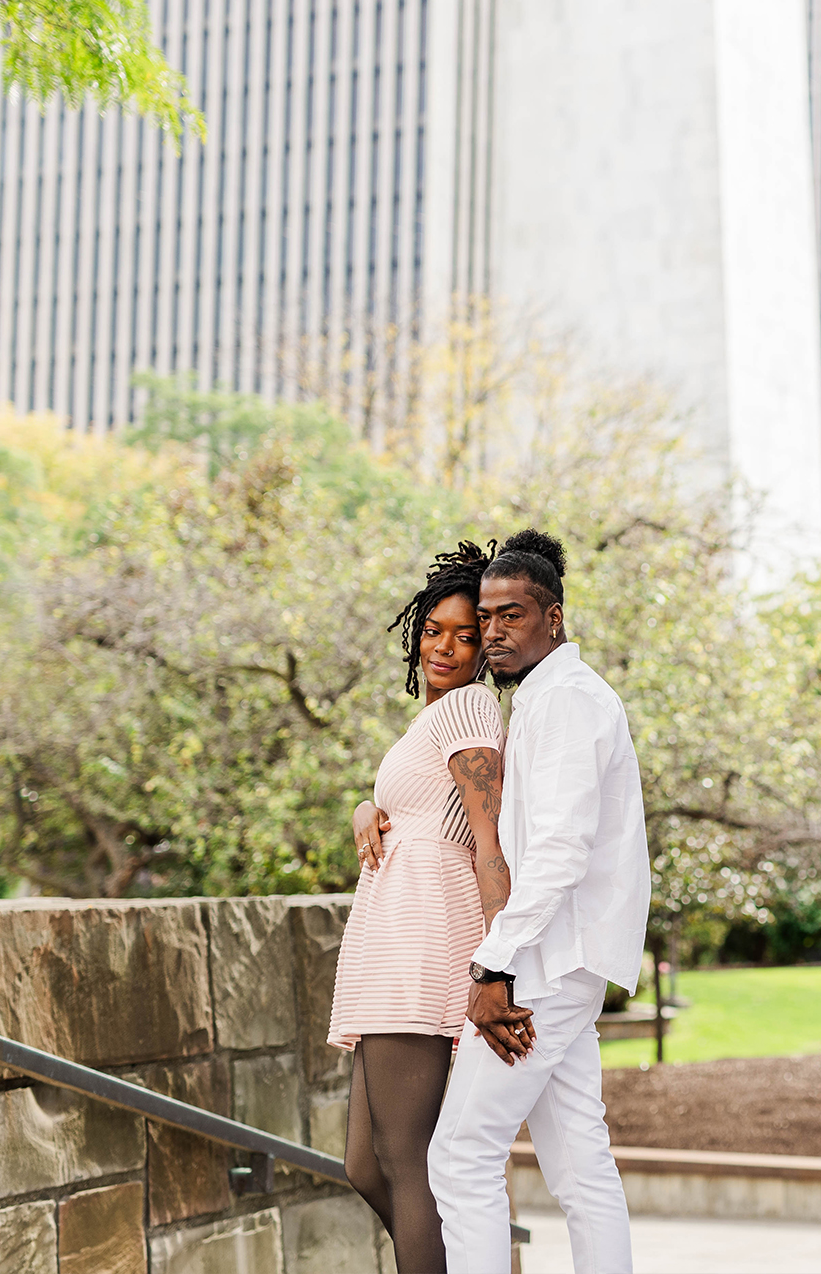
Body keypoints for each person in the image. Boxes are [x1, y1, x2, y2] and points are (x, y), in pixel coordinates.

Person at [429, 529, 648, 1273]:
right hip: (567, 962)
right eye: (486, 616)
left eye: (511, 615)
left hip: (545, 967)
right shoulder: (558, 698)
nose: (492, 631)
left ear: (554, 617)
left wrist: (492, 967)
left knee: (460, 1155)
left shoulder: (565, 703)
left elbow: (558, 854)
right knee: (582, 1165)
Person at [329, 541, 528, 1274]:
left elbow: (489, 847)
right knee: (365, 1167)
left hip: (425, 947)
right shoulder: (436, 718)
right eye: (435, 630)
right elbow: (414, 811)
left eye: (466, 634)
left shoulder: (470, 708)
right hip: (391, 952)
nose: (445, 646)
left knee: (410, 1166)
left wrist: (497, 967)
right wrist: (364, 805)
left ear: (486, 647)